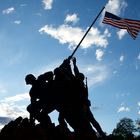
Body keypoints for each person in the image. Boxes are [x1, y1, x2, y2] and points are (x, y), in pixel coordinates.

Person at [72, 57, 106, 138]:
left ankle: (100, 134)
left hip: (82, 105)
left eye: (78, 77)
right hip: (84, 105)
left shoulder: (79, 84)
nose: (76, 77)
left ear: (80, 78)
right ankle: (101, 134)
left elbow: (76, 72)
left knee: (86, 122)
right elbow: (76, 73)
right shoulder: (82, 85)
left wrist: (74, 64)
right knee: (92, 121)